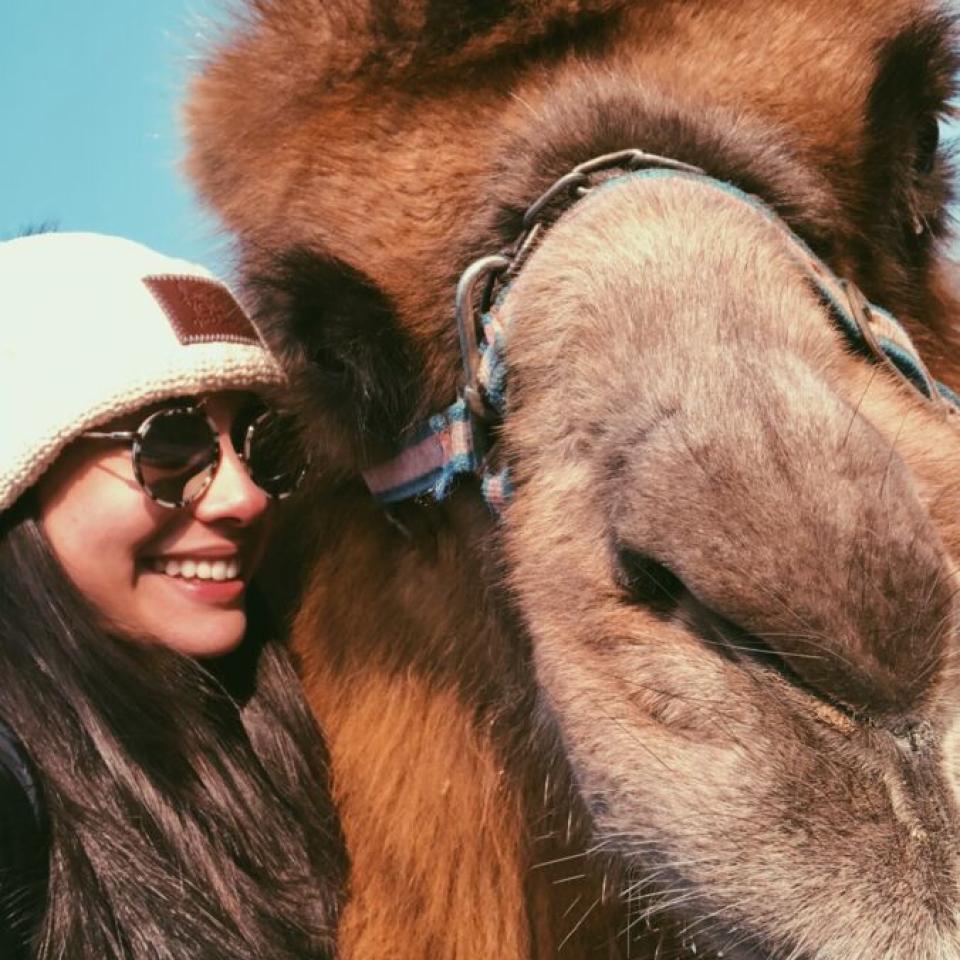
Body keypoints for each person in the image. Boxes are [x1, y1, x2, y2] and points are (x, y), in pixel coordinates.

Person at [0, 233, 345, 960]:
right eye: (169, 447)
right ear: (20, 485)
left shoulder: (310, 724)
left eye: (263, 443)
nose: (243, 497)